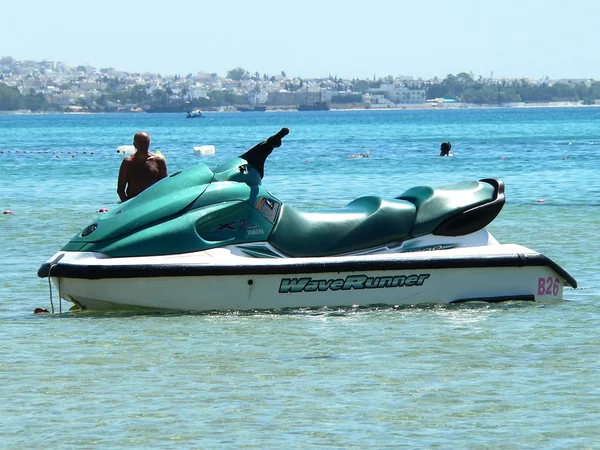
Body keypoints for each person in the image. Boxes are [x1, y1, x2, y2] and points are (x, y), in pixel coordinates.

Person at [117, 131, 167, 202]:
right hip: (133, 202)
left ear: (149, 143)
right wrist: (127, 206)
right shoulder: (127, 163)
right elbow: (120, 190)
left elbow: (165, 185)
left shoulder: (158, 161)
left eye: (145, 142)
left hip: (154, 201)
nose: (143, 145)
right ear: (134, 144)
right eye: (140, 142)